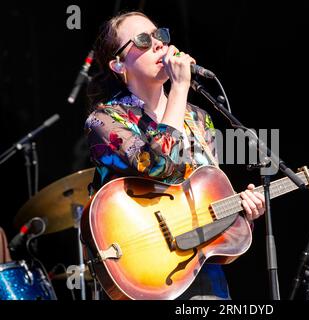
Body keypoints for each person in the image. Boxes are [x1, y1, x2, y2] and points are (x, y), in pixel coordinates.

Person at [84, 11, 265, 300]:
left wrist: (242, 211)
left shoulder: (198, 118)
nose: (158, 44)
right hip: (142, 272)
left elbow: (206, 196)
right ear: (118, 64)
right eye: (143, 40)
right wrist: (180, 88)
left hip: (202, 276)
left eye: (160, 35)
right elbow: (159, 166)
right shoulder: (106, 120)